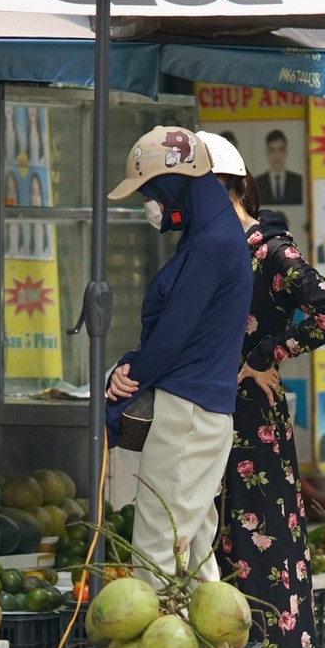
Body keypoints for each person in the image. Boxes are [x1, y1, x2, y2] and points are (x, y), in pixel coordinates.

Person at [195, 131, 325, 648]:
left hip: (253, 415)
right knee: (224, 536)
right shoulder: (215, 245)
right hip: (215, 409)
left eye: (200, 186)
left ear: (229, 186)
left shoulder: (270, 250)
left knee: (264, 537)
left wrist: (263, 354)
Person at [104, 125, 252, 590]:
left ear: (172, 182)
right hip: (205, 412)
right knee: (195, 553)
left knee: (155, 553)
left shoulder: (208, 246)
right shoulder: (215, 233)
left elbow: (171, 338)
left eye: (149, 190)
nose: (148, 201)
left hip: (185, 414)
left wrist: (130, 373)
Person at [254, 129, 303, 206]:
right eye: (272, 150)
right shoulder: (257, 183)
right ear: (267, 152)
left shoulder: (298, 182)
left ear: (286, 151)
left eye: (281, 150)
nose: (277, 155)